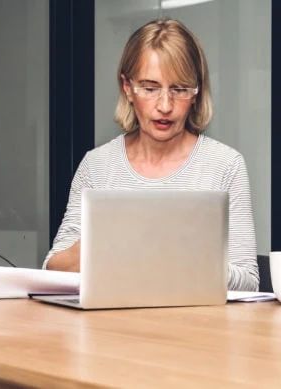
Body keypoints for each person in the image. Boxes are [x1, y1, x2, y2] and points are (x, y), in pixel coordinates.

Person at [44, 19, 259, 292]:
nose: (165, 106)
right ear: (127, 88)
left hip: (196, 329)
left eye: (179, 89)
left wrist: (175, 256)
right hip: (110, 328)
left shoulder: (225, 166)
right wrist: (108, 242)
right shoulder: (97, 165)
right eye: (149, 88)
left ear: (196, 93)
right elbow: (53, 268)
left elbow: (249, 283)